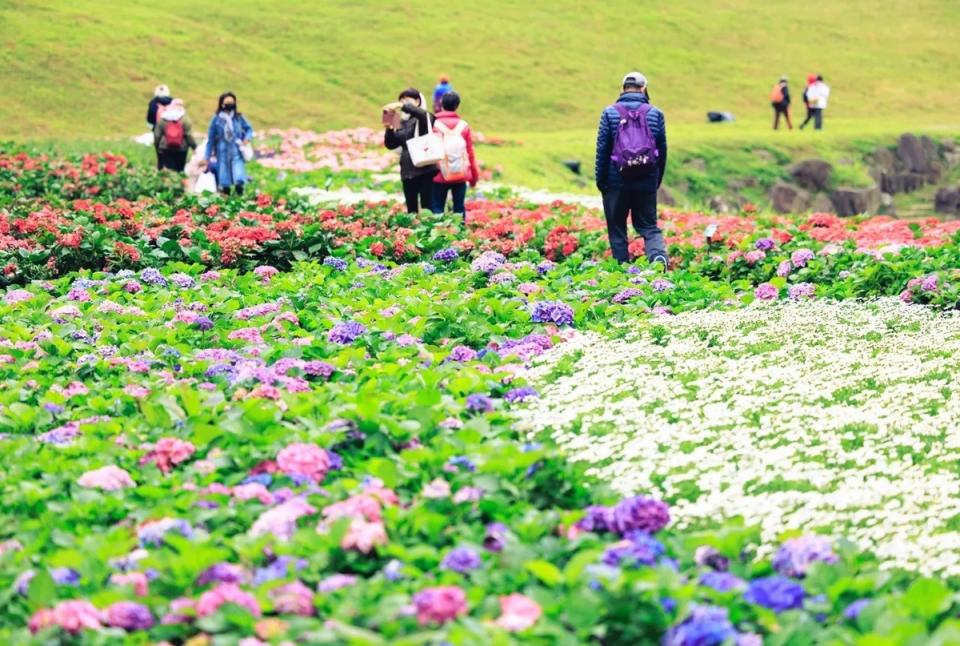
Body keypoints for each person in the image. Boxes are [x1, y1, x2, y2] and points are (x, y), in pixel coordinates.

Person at [594, 72, 669, 266]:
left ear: (622, 88)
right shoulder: (655, 113)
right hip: (646, 180)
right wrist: (656, 180)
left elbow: (602, 149)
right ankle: (658, 257)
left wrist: (601, 181)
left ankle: (622, 270)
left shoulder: (609, 112)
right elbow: (662, 150)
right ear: (644, 88)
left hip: (615, 181)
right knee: (649, 226)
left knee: (617, 227)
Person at [383, 89, 438, 213]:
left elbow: (421, 114)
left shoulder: (425, 117)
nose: (403, 104)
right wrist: (389, 129)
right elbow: (390, 144)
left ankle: (428, 230)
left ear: (418, 101)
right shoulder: (400, 121)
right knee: (411, 209)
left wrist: (401, 105)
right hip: (407, 171)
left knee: (427, 208)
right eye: (401, 101)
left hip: (425, 169)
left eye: (407, 100)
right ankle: (413, 231)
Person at [431, 91, 478, 220]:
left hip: (439, 174)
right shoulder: (463, 126)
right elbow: (470, 152)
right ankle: (460, 236)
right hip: (460, 174)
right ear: (457, 105)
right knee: (458, 208)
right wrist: (474, 176)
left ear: (441, 104)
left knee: (437, 207)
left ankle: (437, 236)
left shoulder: (434, 124)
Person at [204, 92, 254, 195]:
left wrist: (247, 138)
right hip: (222, 150)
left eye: (232, 102)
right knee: (224, 176)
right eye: (227, 102)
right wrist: (207, 156)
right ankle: (226, 195)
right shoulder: (216, 119)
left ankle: (240, 194)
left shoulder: (238, 117)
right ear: (221, 103)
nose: (230, 104)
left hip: (236, 149)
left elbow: (249, 129)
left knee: (238, 174)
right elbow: (211, 139)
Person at [153, 98, 198, 172]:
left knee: (168, 170)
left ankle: (169, 182)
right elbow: (189, 135)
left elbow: (157, 135)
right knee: (179, 170)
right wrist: (194, 147)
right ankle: (178, 182)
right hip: (181, 149)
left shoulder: (163, 118)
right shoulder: (185, 119)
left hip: (166, 148)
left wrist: (158, 147)